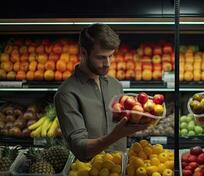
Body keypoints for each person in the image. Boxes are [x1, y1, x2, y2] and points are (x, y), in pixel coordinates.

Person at [54, 23, 148, 161]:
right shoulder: (67, 94)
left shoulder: (115, 85)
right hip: (86, 175)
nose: (108, 63)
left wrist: (141, 119)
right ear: (83, 53)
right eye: (101, 57)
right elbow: (81, 150)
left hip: (118, 171)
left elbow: (122, 122)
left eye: (111, 56)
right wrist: (115, 136)